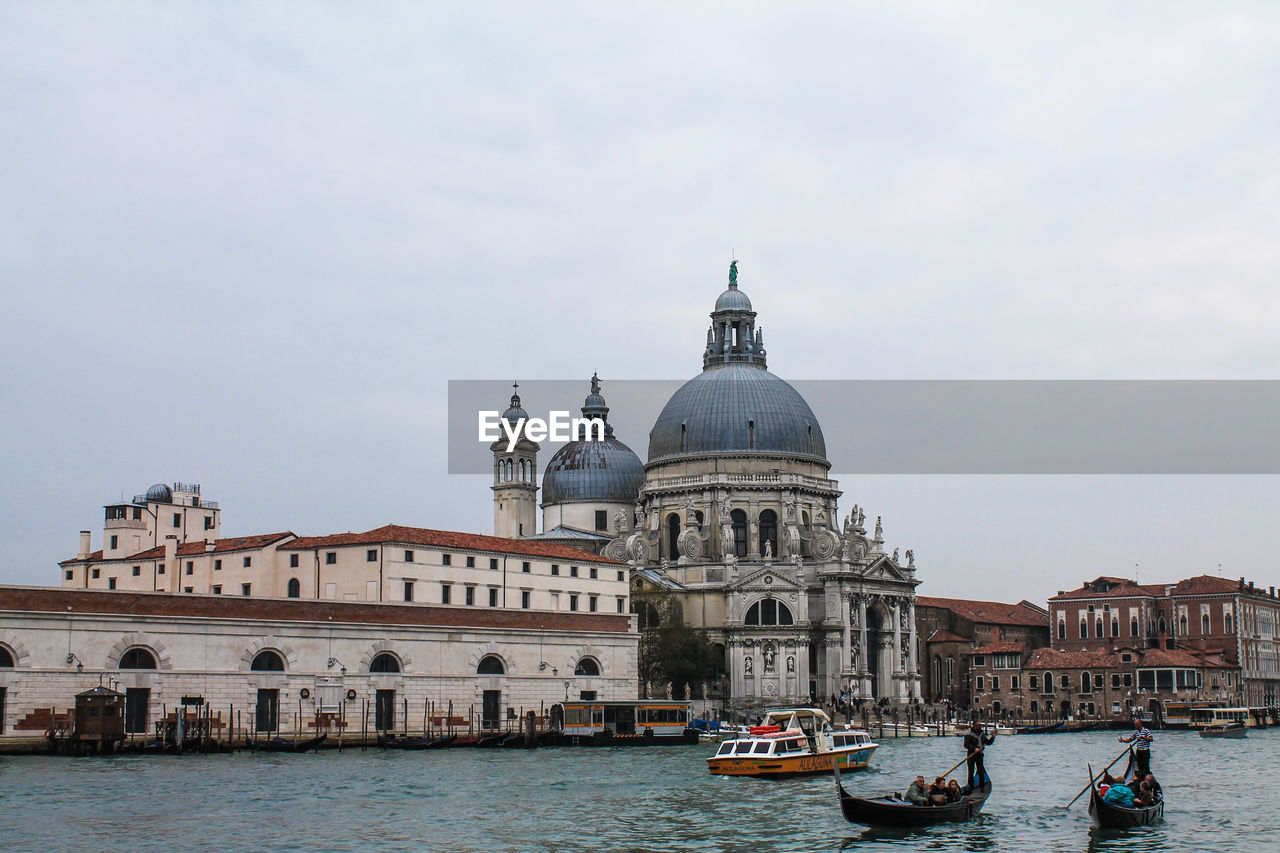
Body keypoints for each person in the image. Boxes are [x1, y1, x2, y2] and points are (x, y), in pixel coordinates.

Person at [963, 721, 996, 790]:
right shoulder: (969, 734)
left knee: (980, 770)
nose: (979, 727)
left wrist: (992, 737)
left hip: (979, 755)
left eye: (980, 725)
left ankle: (982, 787)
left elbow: (988, 742)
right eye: (978, 725)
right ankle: (970, 787)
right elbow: (966, 745)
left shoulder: (982, 734)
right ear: (974, 726)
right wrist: (974, 748)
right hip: (971, 755)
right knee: (971, 771)